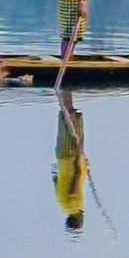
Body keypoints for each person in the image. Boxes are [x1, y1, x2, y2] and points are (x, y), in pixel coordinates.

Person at [53, 92, 88, 231]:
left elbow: (76, 180)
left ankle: (65, 87)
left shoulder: (74, 207)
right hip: (62, 156)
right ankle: (65, 90)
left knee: (70, 118)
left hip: (71, 156)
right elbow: (55, 181)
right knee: (66, 117)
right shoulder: (63, 206)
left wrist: (80, 159)